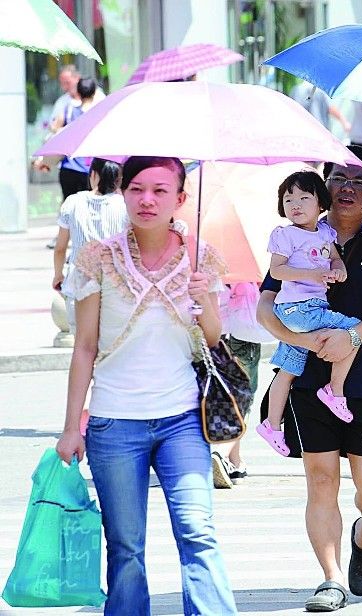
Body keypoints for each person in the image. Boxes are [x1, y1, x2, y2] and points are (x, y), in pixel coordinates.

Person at [54, 156, 237, 615]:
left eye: (159, 190)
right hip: (115, 424)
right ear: (123, 193)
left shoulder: (200, 256)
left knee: (198, 532)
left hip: (183, 421)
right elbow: (85, 347)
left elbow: (214, 340)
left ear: (180, 199)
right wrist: (71, 426)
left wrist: (205, 303)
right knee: (126, 546)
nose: (147, 199)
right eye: (136, 188)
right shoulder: (98, 257)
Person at [256, 145, 362, 612]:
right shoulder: (295, 236)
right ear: (323, 187)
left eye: (358, 179)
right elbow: (266, 303)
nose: (348, 188)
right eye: (338, 178)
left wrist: (355, 337)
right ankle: (330, 579)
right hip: (307, 381)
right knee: (321, 479)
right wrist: (300, 342)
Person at [256, 171, 361, 456]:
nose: (296, 204)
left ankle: (272, 425)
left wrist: (338, 269)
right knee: (352, 331)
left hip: (310, 308)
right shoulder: (285, 234)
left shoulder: (326, 233)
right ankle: (334, 390)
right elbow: (277, 271)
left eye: (304, 197)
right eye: (289, 199)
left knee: (288, 370)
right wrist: (313, 274)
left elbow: (335, 258)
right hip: (297, 310)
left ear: (321, 203)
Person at [212, 281, 276, 488]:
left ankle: (235, 462)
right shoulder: (246, 262)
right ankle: (221, 452)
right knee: (242, 398)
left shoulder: (203, 259)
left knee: (224, 397)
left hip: (214, 332)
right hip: (243, 333)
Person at [52, 158, 128, 334]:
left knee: (81, 344)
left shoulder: (72, 202)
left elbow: (60, 248)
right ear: (118, 178)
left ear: (93, 174)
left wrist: (58, 275)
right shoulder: (124, 205)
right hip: (115, 283)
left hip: (79, 282)